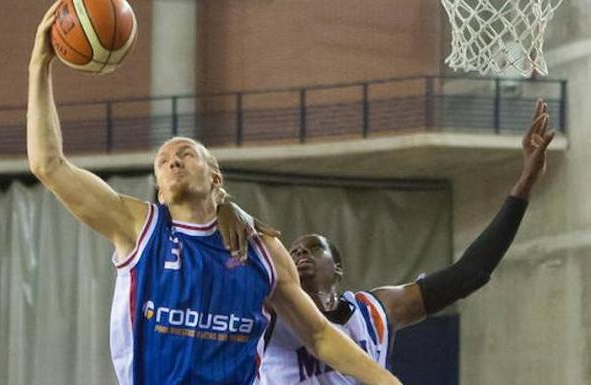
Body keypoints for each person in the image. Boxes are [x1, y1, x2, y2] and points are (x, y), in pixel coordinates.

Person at [26, 4, 402, 385]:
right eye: (163, 160)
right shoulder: (138, 227)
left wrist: (387, 381)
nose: (173, 162)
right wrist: (40, 65)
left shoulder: (263, 251)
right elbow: (48, 165)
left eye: (186, 154)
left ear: (215, 176)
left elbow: (320, 335)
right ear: (158, 188)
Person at [220, 100, 554, 385]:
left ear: (338, 268)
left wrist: (523, 186)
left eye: (313, 247)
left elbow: (472, 272)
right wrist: (223, 205)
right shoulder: (270, 311)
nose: (298, 252)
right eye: (293, 250)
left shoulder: (373, 312)